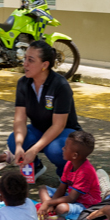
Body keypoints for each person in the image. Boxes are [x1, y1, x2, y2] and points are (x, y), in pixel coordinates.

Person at [9, 40, 82, 179]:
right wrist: (19, 146)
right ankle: (35, 167)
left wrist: (34, 149)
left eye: (31, 60)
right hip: (39, 129)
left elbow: (58, 125)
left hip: (65, 131)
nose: (25, 64)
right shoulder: (23, 83)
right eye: (25, 59)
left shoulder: (60, 85)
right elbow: (19, 120)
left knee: (55, 149)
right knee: (14, 140)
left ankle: (68, 175)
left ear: (45, 65)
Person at [37, 130, 102, 220]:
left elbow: (72, 198)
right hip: (70, 198)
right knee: (43, 189)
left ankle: (59, 217)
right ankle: (53, 212)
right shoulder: (69, 164)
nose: (63, 148)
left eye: (66, 147)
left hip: (86, 205)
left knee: (61, 208)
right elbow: (61, 188)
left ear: (74, 155)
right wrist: (51, 203)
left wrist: (49, 203)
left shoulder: (85, 171)